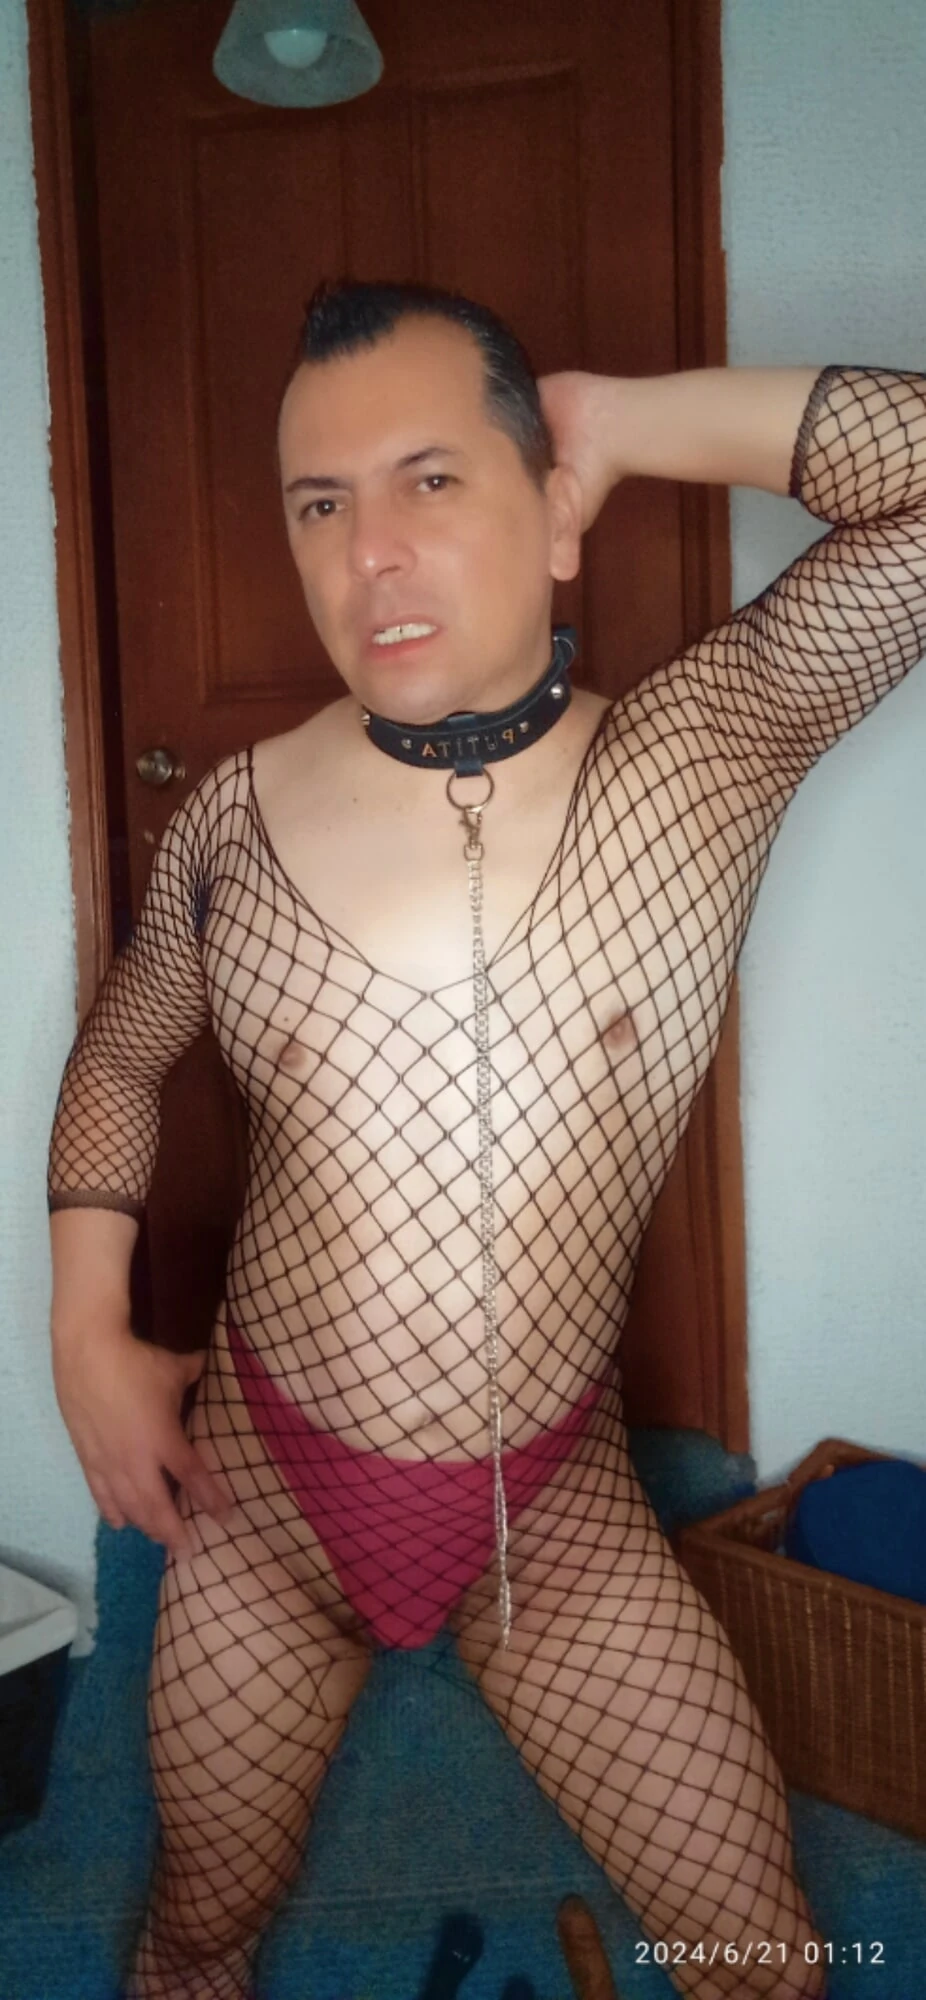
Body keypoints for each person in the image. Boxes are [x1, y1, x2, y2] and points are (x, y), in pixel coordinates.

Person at [47, 278, 925, 2000]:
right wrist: (87, 1325)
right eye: (319, 502)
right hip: (268, 1496)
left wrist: (622, 419)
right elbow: (128, 1047)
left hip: (559, 1507)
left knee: (767, 1961)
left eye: (432, 477)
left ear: (554, 506)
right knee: (198, 1934)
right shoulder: (233, 817)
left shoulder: (701, 756)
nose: (369, 551)